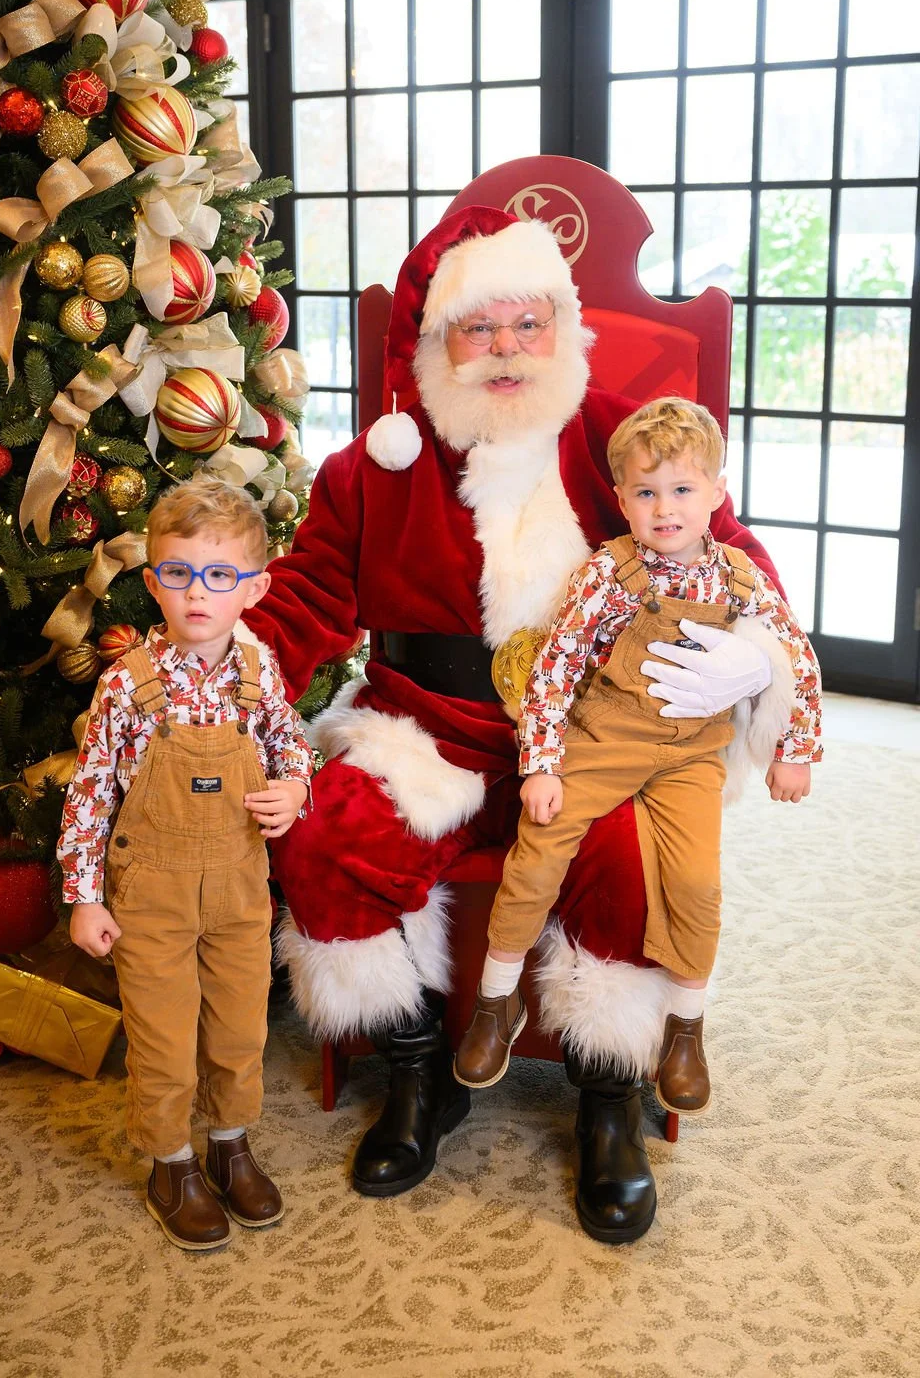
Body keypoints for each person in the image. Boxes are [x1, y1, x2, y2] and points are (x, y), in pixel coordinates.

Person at [245, 206, 795, 1244]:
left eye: (526, 324)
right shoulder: (373, 469)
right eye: (478, 328)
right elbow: (302, 599)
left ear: (562, 328)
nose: (505, 349)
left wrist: (753, 651)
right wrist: (210, 676)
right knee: (325, 835)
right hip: (423, 728)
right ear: (437, 346)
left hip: (596, 732)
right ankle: (418, 1076)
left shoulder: (619, 442)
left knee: (633, 853)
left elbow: (734, 552)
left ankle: (608, 1096)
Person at [453, 396, 822, 1114]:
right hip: (608, 736)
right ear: (621, 499)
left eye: (683, 489)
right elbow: (556, 667)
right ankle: (496, 1001)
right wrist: (543, 763)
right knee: (538, 851)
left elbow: (796, 658)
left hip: (693, 750)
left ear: (717, 493)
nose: (665, 508)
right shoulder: (608, 572)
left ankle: (685, 1026)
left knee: (697, 882)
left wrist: (795, 748)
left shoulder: (738, 577)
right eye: (646, 493)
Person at [58, 472, 313, 1251]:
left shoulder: (259, 673)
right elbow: (90, 792)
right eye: (178, 573)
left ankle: (230, 1144)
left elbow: (291, 744)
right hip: (152, 894)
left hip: (238, 888)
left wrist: (295, 787)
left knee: (238, 1030)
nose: (198, 592)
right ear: (153, 582)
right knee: (164, 1041)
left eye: (219, 575)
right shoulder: (126, 685)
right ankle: (171, 1162)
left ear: (254, 588)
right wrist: (84, 896)